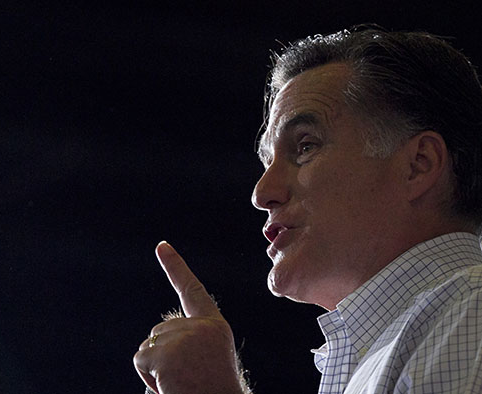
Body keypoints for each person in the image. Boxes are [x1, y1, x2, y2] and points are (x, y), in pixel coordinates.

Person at [133, 25, 482, 394]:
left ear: (419, 165)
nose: (262, 192)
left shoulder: (468, 316)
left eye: (305, 146)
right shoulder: (387, 345)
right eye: (267, 161)